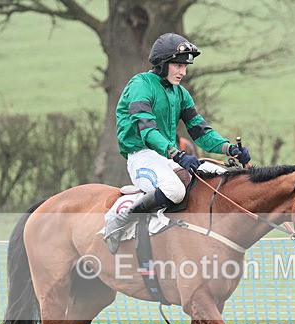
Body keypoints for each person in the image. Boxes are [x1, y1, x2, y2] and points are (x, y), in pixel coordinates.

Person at [105, 32, 252, 254]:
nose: (183, 72)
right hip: (141, 157)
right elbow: (147, 131)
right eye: (178, 66)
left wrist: (229, 148)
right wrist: (179, 155)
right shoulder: (140, 85)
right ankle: (121, 219)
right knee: (174, 191)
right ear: (163, 64)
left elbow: (201, 132)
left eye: (185, 67)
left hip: (168, 157)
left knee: (221, 177)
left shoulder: (181, 93)